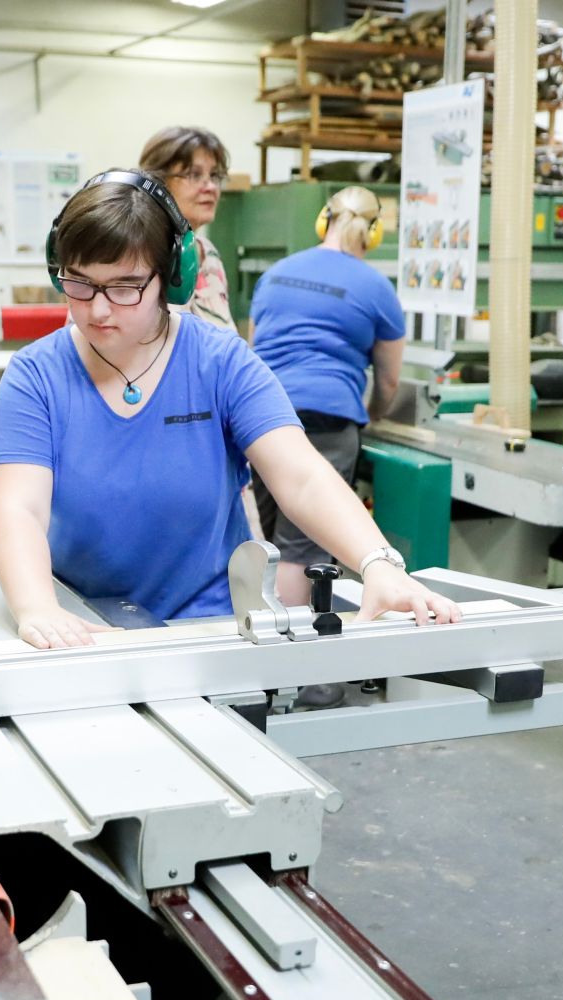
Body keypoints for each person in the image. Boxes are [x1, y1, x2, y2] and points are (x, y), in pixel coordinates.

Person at [0, 170, 458, 650]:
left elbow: (302, 476)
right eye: (80, 283)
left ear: (172, 278)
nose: (99, 309)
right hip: (83, 624)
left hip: (206, 630)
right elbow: (19, 508)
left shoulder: (220, 361)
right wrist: (38, 608)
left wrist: (377, 562)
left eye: (125, 287)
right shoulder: (36, 376)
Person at [247, 187, 405, 707]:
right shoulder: (377, 287)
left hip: (260, 417)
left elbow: (252, 352)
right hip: (328, 419)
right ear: (375, 230)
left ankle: (254, 655)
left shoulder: (276, 274)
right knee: (302, 548)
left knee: (264, 541)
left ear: (324, 221)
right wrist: (374, 418)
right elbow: (387, 382)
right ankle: (299, 676)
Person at [139, 127, 236, 333]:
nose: (210, 186)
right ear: (158, 182)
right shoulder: (136, 254)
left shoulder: (208, 254)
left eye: (215, 175)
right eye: (194, 174)